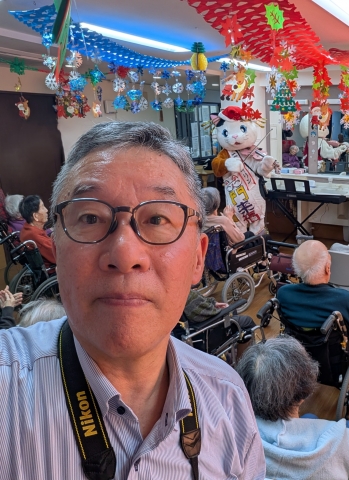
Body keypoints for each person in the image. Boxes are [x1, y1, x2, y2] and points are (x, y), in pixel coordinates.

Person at [0, 122, 265, 478]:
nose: (125, 254)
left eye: (157, 218)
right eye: (90, 217)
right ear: (57, 249)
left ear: (198, 258)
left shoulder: (229, 399)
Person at [236, 336, 349, 480]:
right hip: (345, 453)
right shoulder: (340, 441)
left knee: (310, 417)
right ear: (302, 394)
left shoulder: (235, 434)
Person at [277, 240, 349, 342]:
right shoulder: (343, 299)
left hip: (297, 346)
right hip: (334, 350)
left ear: (296, 269)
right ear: (327, 268)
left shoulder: (283, 293)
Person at [18, 194, 56, 266]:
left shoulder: (26, 228)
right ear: (35, 216)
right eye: (42, 207)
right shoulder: (35, 236)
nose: (46, 210)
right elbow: (57, 256)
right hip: (52, 268)